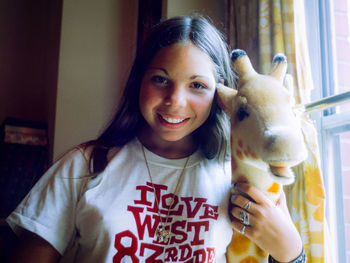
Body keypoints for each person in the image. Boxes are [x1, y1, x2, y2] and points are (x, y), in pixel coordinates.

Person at [6, 15, 305, 263]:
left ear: (220, 95)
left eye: (197, 85)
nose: (175, 101)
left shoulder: (237, 176)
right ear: (139, 80)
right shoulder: (84, 165)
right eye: (161, 79)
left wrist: (292, 252)